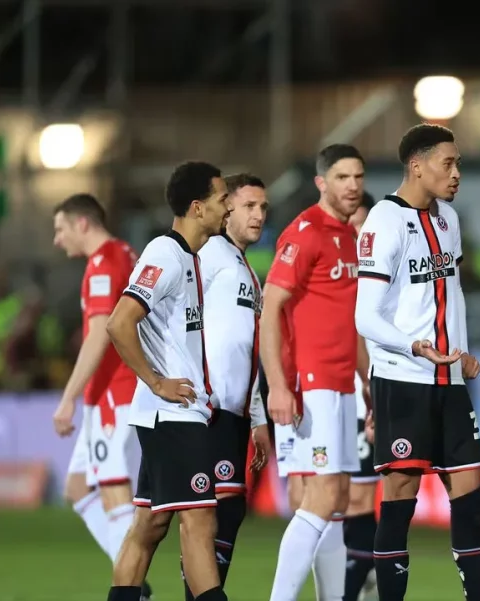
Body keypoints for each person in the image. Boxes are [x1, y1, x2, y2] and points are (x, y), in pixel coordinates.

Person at [355, 124, 480, 601]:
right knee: (399, 500)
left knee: (473, 501)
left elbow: (450, 295)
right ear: (417, 165)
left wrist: (463, 351)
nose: (456, 174)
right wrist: (415, 347)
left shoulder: (449, 219)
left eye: (458, 164)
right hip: (404, 380)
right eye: (447, 163)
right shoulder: (383, 222)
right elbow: (365, 316)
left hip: (450, 381)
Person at [104, 161, 230, 601]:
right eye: (222, 199)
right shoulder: (165, 253)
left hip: (175, 414)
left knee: (150, 525)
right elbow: (120, 323)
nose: (228, 207)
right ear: (197, 208)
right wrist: (157, 382)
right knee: (199, 521)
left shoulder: (190, 259)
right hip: (172, 413)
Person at [262, 144, 367, 601]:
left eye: (358, 177)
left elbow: (353, 321)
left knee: (338, 501)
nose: (353, 186)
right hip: (314, 383)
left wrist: (369, 383)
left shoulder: (349, 236)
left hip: (343, 385)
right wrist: (280, 385)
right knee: (321, 497)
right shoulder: (305, 231)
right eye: (342, 177)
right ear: (322, 183)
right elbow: (271, 309)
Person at [50, 193, 149, 599]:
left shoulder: (105, 262)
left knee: (114, 489)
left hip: (114, 391)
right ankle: (136, 583)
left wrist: (68, 397)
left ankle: (132, 586)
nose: (57, 240)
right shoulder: (126, 252)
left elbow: (99, 333)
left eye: (60, 229)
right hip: (111, 392)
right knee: (77, 487)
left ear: (82, 224)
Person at [184, 173, 275, 600]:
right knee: (214, 515)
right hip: (209, 409)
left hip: (235, 415)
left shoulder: (245, 268)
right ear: (226, 212)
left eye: (263, 208)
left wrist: (256, 418)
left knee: (226, 514)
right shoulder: (210, 255)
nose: (259, 216)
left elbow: (246, 351)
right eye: (249, 207)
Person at [344, 193, 380, 601]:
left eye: (364, 226)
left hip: (365, 392)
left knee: (360, 494)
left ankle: (353, 586)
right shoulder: (331, 266)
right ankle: (363, 570)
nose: (358, 234)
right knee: (321, 498)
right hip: (326, 392)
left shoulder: (378, 271)